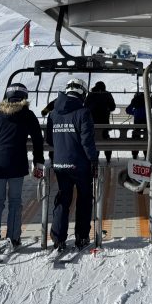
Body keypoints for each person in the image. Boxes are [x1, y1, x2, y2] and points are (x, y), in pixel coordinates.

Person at [0, 83, 44, 257]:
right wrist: (38, 162)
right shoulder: (27, 115)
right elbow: (38, 140)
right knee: (15, 201)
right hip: (17, 164)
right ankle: (13, 237)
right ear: (24, 97)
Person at [45, 78, 98, 252]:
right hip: (80, 165)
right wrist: (93, 160)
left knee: (63, 199)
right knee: (83, 199)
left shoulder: (53, 113)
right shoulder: (83, 113)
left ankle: (58, 238)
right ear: (83, 93)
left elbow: (49, 139)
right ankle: (81, 237)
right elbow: (87, 142)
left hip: (60, 164)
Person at [85, 81, 116, 163]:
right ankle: (108, 158)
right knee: (106, 139)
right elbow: (113, 107)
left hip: (92, 123)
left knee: (94, 140)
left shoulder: (91, 94)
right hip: (104, 122)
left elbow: (85, 107)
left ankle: (95, 158)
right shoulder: (107, 94)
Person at [125, 91, 152, 160]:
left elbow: (128, 110)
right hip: (146, 120)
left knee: (135, 137)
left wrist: (134, 112)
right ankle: (146, 154)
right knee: (147, 137)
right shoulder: (147, 99)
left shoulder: (135, 100)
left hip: (137, 120)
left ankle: (135, 154)